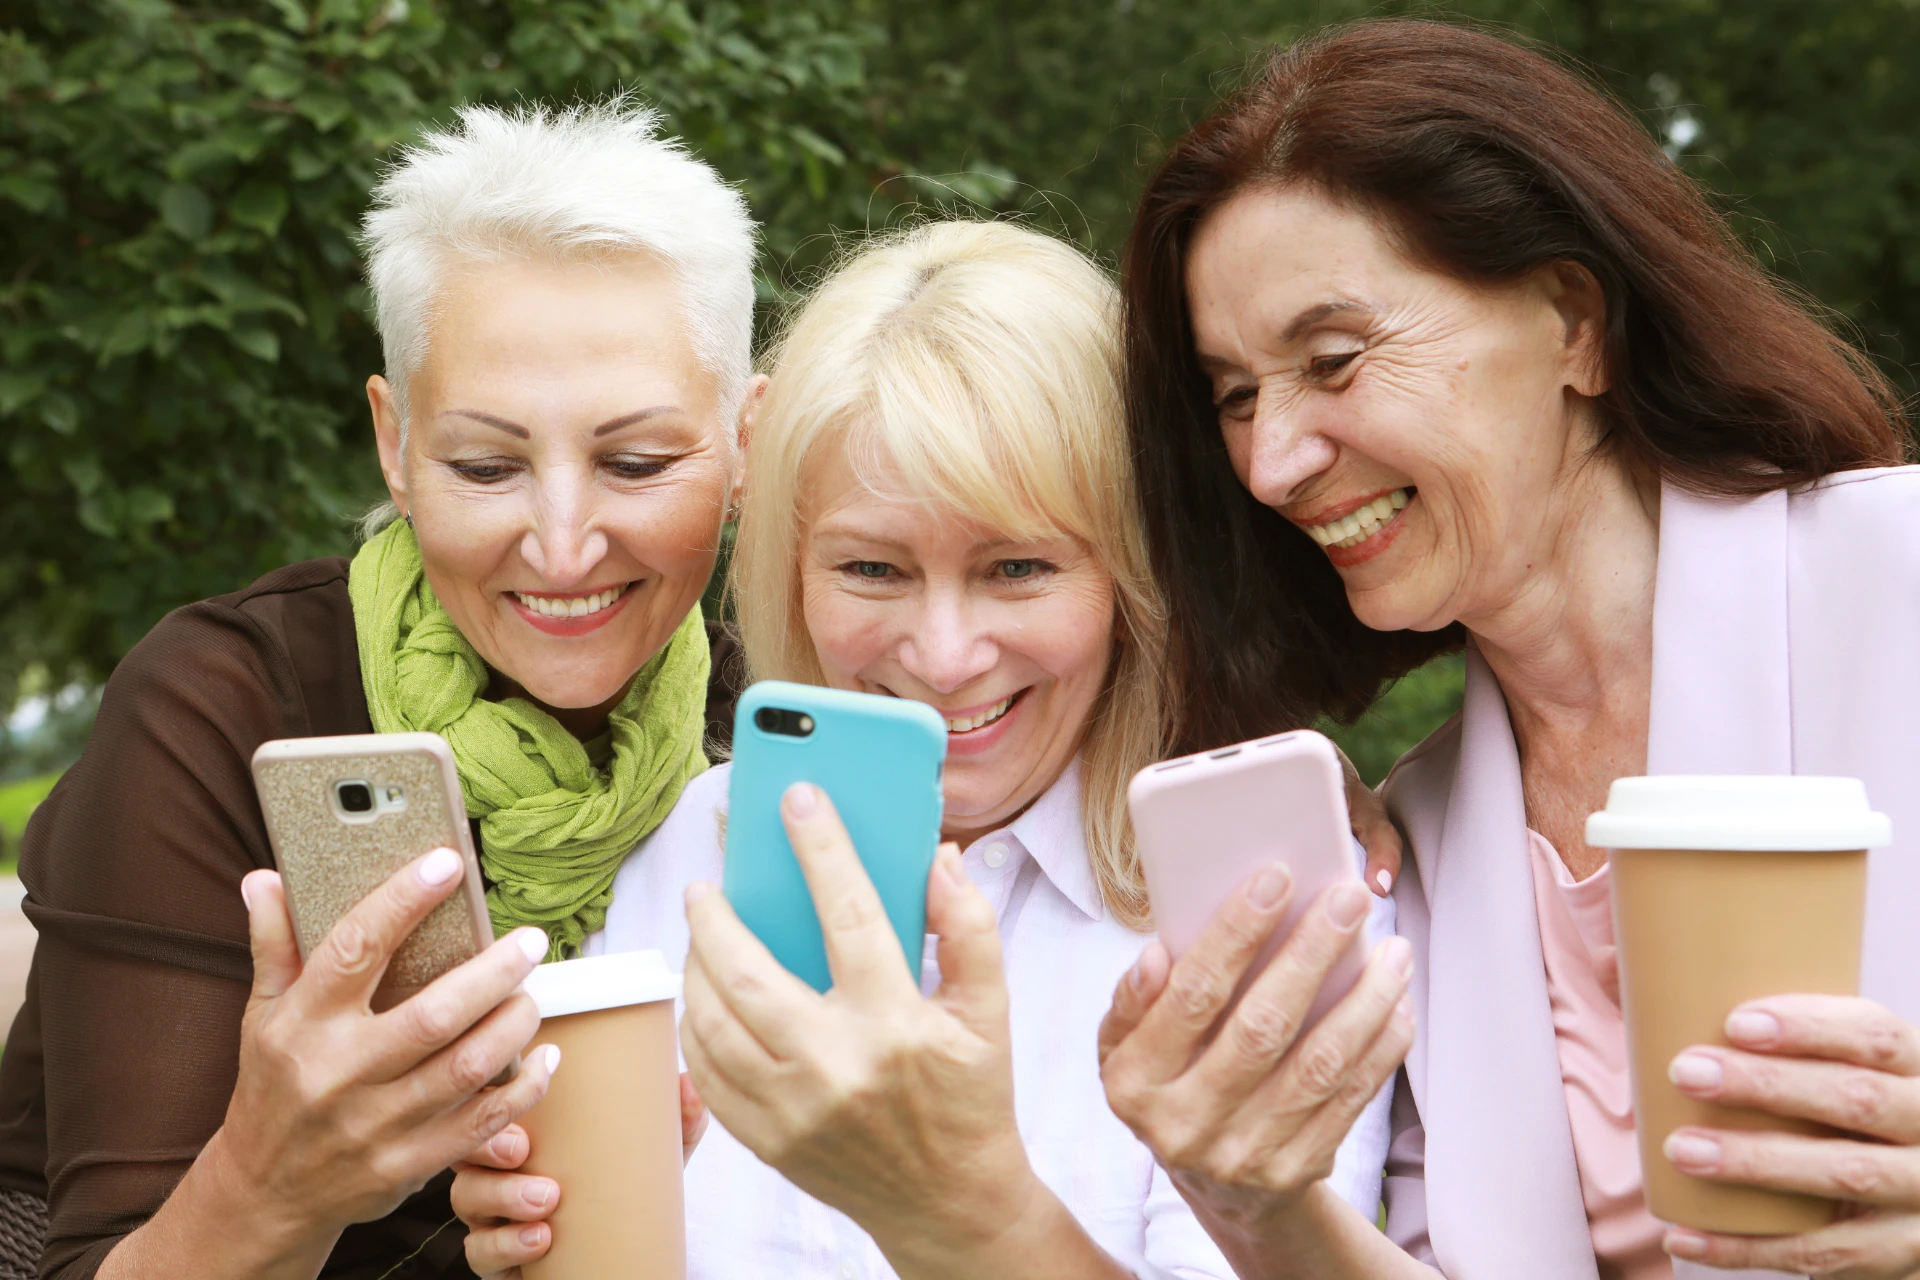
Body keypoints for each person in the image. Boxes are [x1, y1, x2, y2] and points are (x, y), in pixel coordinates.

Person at [1096, 18, 1920, 1280]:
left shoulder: (1899, 574)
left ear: (1573, 321)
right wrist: (1251, 1197)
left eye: (1333, 359)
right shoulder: (1407, 850)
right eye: (1238, 394)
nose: (1272, 461)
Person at [450, 219, 1404, 1279]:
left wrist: (953, 1203)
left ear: (1133, 574)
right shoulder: (698, 848)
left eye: (1018, 568)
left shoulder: (1252, 902)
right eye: (872, 569)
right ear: (791, 568)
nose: (945, 657)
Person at [0, 99, 757, 1279]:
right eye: (485, 464)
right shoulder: (223, 706)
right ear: (393, 444)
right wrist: (270, 1180)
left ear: (745, 438)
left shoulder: (774, 712)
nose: (563, 547)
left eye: (637, 461)